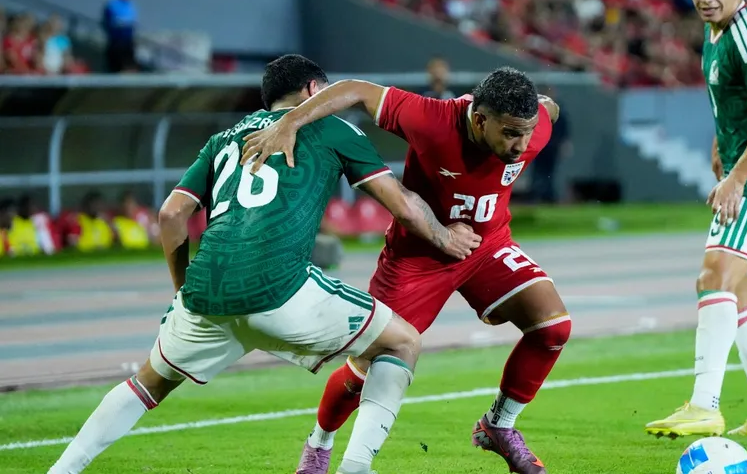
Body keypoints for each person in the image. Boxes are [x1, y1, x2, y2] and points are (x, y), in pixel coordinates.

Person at [46, 54, 481, 474]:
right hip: (280, 289)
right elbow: (402, 205)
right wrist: (446, 236)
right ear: (314, 90)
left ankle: (62, 469)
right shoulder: (332, 128)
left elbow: (170, 215)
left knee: (146, 385)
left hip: (205, 294)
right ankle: (356, 465)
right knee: (402, 343)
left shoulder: (224, 138)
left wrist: (184, 291)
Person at [242, 66, 569, 474]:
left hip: (487, 247)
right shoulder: (431, 118)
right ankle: (318, 447)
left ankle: (499, 426)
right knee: (365, 367)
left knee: (553, 327)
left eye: (527, 131)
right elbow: (357, 90)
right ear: (480, 119)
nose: (521, 145)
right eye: (510, 133)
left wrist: (544, 110)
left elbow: (549, 109)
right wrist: (290, 120)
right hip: (416, 258)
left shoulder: (533, 126)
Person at [644, 0, 747, 439]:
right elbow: (741, 105)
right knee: (742, 295)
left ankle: (704, 405)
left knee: (713, 277)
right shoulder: (717, 34)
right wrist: (723, 142)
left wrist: (737, 177)